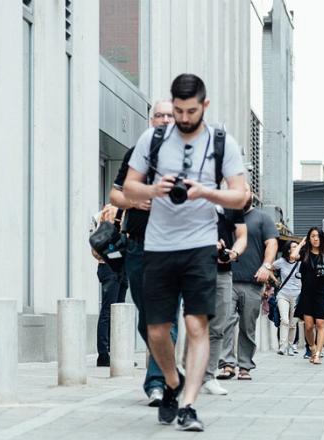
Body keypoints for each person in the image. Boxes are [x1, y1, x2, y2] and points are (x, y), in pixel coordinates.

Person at [123, 73, 248, 431]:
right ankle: (172, 383)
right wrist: (153, 190)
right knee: (157, 330)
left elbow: (240, 195)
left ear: (204, 106)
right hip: (159, 246)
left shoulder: (222, 142)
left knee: (196, 325)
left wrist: (205, 192)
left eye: (190, 110)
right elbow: (128, 188)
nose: (183, 117)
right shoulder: (154, 138)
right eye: (177, 110)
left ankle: (189, 404)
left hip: (199, 245)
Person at [109, 100, 176, 404]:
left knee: (166, 317)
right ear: (151, 121)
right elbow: (114, 194)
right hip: (137, 245)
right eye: (158, 115)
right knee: (147, 318)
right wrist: (134, 202)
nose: (163, 120)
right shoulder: (136, 155)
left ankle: (157, 382)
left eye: (169, 116)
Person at [218, 190, 279, 380]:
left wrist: (266, 266)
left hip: (253, 281)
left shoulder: (262, 218)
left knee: (247, 325)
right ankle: (227, 364)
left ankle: (245, 365)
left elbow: (272, 244)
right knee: (225, 322)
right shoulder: (225, 216)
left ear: (251, 195)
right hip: (227, 277)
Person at [201, 205, 246, 395]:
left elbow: (242, 236)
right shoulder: (191, 195)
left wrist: (232, 253)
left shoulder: (230, 203)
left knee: (219, 326)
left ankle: (209, 377)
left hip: (223, 272)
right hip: (195, 269)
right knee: (196, 323)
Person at [91, 204, 129, 368]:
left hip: (119, 267)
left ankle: (116, 353)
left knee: (118, 312)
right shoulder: (109, 212)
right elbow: (101, 244)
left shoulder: (127, 211)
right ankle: (104, 355)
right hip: (110, 267)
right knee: (109, 311)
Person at [293, 227, 324, 364]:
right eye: (312, 236)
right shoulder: (305, 253)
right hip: (307, 293)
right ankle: (312, 348)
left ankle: (317, 354)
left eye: (318, 236)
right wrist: (301, 243)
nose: (316, 238)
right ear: (309, 238)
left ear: (322, 238)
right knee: (309, 326)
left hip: (321, 292)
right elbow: (293, 256)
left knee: (320, 323)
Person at [273, 241, 301, 356]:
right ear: (289, 250)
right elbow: (269, 267)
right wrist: (275, 280)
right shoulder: (281, 262)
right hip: (283, 295)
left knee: (293, 323)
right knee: (284, 320)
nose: (297, 248)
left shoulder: (301, 263)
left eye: (297, 246)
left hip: (297, 296)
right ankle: (282, 346)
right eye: (294, 247)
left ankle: (290, 345)